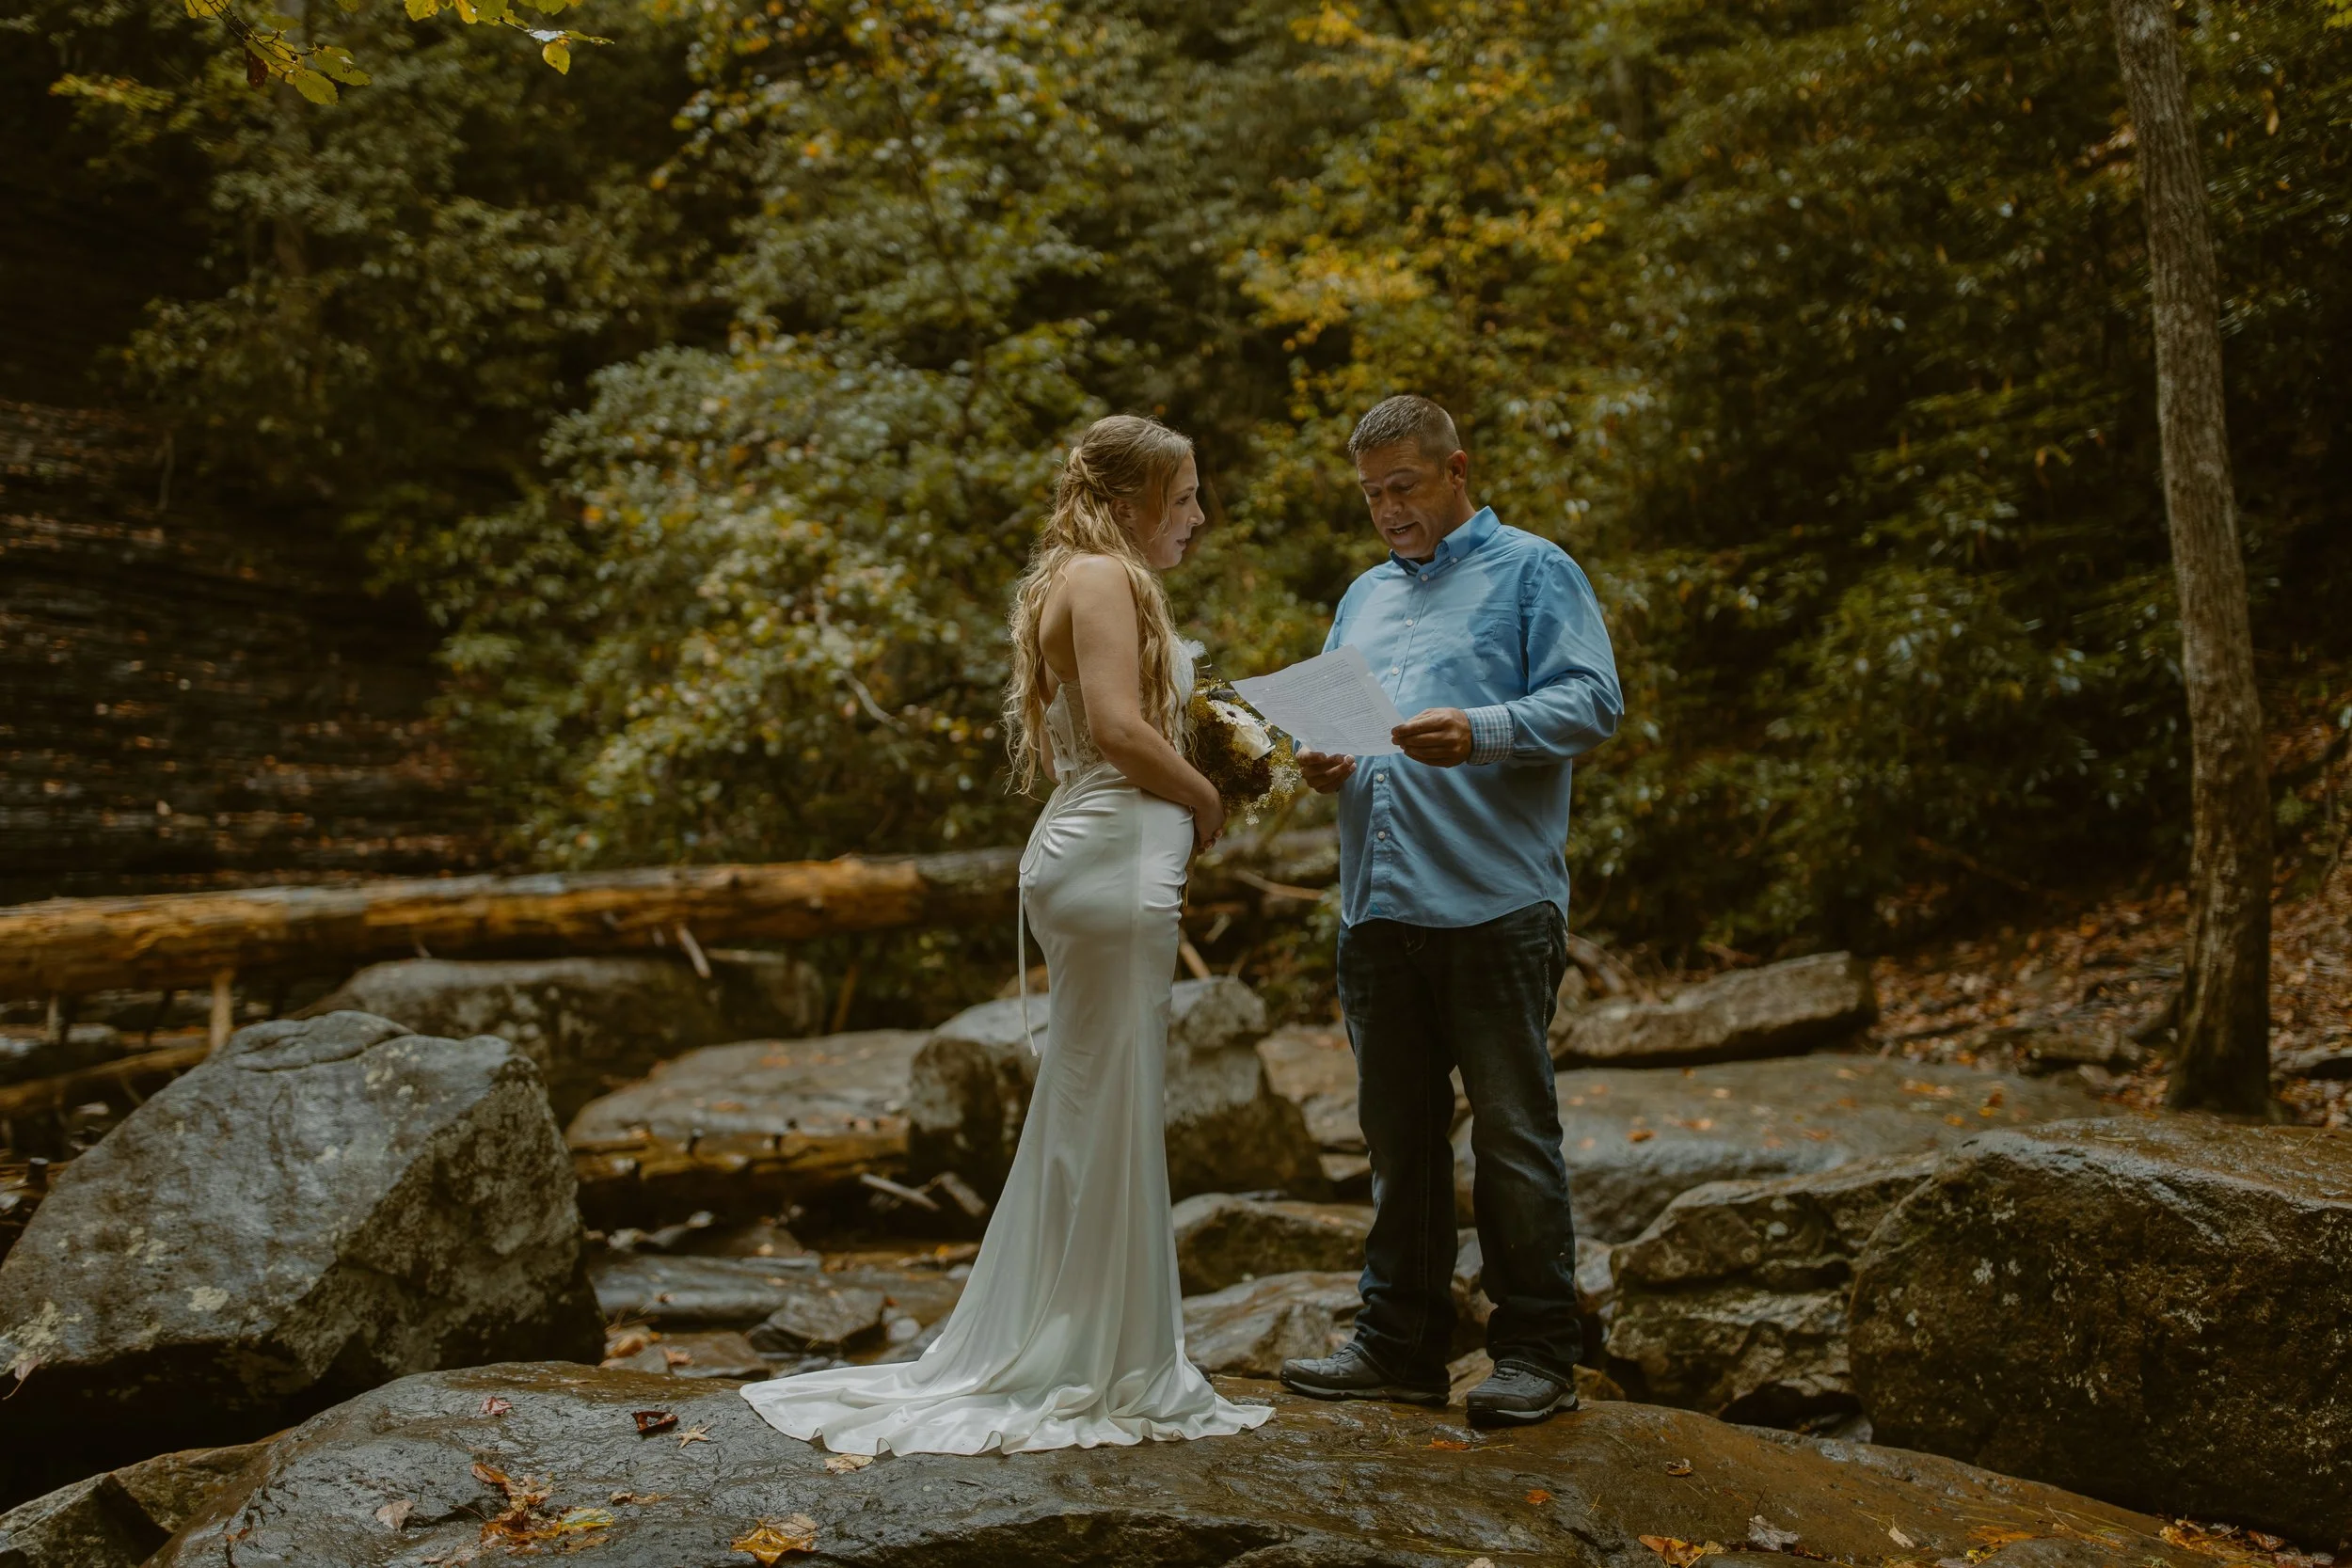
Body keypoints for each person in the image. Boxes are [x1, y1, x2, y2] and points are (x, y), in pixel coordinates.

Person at [740, 414, 1272, 1455]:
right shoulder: (1107, 579)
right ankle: (1092, 1353)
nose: (1200, 517)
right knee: (1105, 1107)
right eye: (1184, 498)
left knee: (1093, 1106)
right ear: (1129, 503)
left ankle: (1080, 1333)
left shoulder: (1072, 575)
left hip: (1103, 854)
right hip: (1112, 860)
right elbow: (1120, 728)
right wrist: (1206, 795)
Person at [1279, 394, 1622, 1427]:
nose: (1387, 510)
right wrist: (1321, 762)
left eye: (1403, 487)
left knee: (1513, 1136)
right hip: (1377, 907)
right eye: (1371, 494)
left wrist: (1479, 730)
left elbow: (1592, 701)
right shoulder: (1361, 597)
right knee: (1398, 1136)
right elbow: (1344, 732)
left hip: (1493, 902)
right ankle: (1398, 1345)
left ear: (1456, 470)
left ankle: (1535, 1352)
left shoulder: (1534, 571)